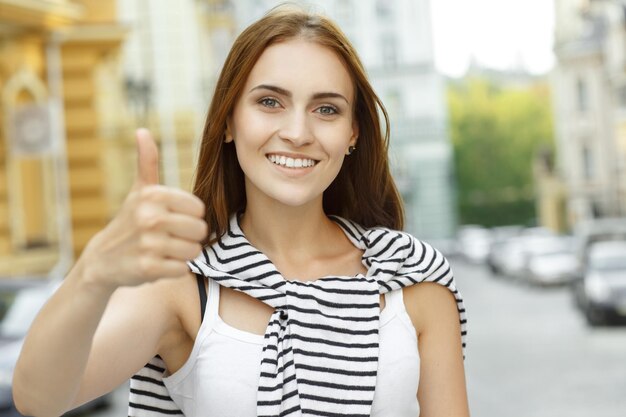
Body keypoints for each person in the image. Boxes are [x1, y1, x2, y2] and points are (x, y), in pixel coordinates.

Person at [13, 5, 469, 417]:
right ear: (229, 121)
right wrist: (94, 273)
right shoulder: (184, 282)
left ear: (353, 133)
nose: (297, 132)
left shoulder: (412, 276)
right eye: (270, 102)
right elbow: (38, 400)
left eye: (326, 109)